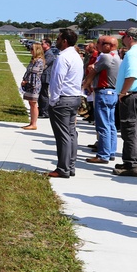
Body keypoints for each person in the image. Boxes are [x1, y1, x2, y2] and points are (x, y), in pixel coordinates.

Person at [112, 28, 137, 178]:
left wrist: (123, 92)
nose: (123, 39)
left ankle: (131, 164)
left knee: (130, 131)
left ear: (130, 38)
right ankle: (129, 161)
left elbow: (132, 75)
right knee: (132, 130)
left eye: (125, 36)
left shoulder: (132, 54)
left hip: (133, 95)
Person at [45, 28, 84, 179]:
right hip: (74, 97)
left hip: (63, 99)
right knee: (71, 133)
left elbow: (57, 81)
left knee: (63, 136)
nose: (56, 40)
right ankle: (70, 165)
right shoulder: (76, 56)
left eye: (59, 38)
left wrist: (53, 100)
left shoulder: (62, 57)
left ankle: (63, 168)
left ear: (65, 41)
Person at [83, 35, 120, 164]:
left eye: (100, 43)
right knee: (110, 124)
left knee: (102, 124)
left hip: (103, 92)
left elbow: (93, 71)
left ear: (108, 46)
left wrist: (86, 84)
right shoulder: (117, 57)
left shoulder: (105, 57)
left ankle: (103, 154)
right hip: (112, 92)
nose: (97, 45)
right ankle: (110, 151)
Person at [21, 42, 45, 129]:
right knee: (31, 103)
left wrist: (27, 81)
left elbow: (34, 73)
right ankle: (31, 122)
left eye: (32, 49)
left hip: (34, 84)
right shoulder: (33, 60)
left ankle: (34, 124)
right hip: (29, 83)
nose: (30, 50)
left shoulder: (39, 61)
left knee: (34, 103)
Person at [38, 38, 58, 118]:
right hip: (42, 76)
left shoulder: (49, 54)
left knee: (44, 95)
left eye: (42, 44)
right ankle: (41, 110)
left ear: (48, 45)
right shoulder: (45, 53)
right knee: (40, 94)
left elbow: (43, 64)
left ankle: (45, 112)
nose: (41, 45)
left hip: (45, 76)